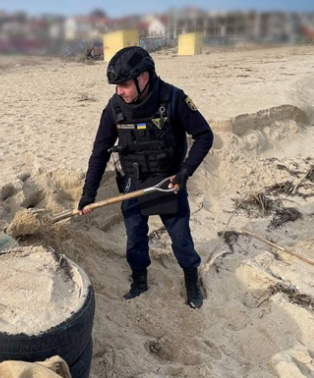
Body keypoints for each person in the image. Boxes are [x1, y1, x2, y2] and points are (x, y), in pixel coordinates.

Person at [78, 46, 213, 309]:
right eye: (116, 86)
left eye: (124, 85)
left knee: (182, 239)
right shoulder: (114, 107)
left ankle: (190, 279)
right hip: (133, 184)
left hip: (168, 183)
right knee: (135, 239)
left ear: (143, 78)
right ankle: (139, 280)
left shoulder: (174, 98)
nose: (119, 91)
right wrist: (88, 194)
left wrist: (185, 172)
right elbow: (99, 153)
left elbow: (204, 136)